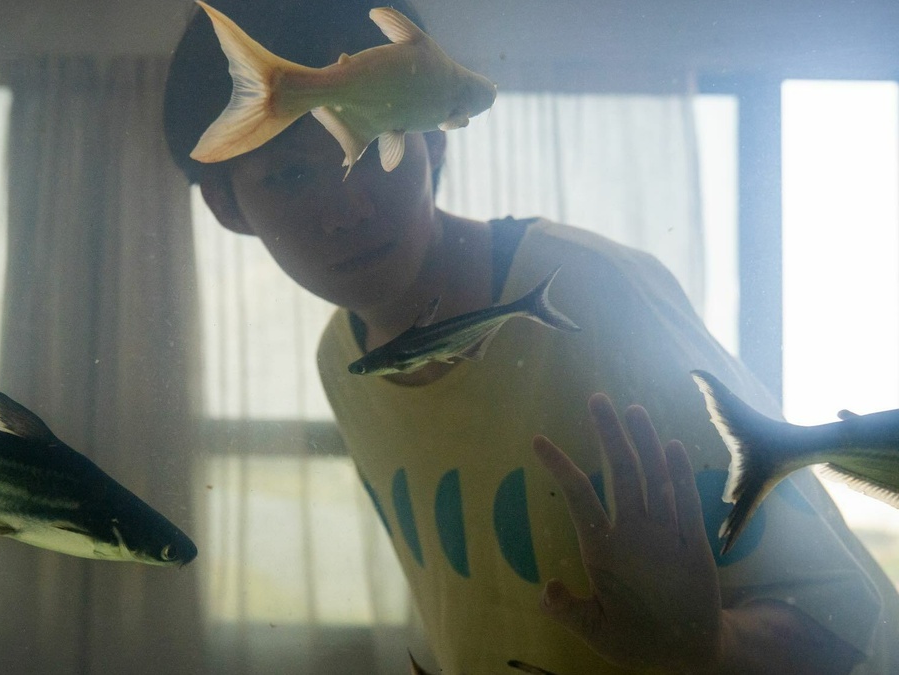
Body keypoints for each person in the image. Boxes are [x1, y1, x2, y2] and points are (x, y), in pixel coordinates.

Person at [162, 1, 899, 672]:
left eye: (378, 133)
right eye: (291, 177)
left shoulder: (595, 294)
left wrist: (706, 649)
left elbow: (848, 622)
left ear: (436, 141)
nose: (346, 211)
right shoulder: (341, 358)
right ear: (227, 206)